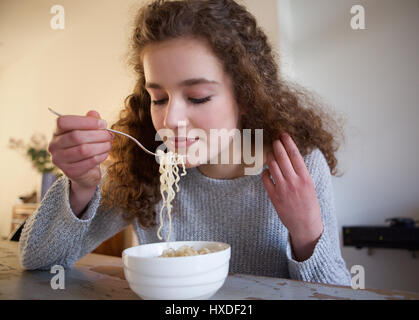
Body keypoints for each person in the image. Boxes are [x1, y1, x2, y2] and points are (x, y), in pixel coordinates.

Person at [18, 0, 351, 286]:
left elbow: (335, 291)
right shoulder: (144, 166)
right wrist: (80, 187)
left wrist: (307, 234)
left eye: (198, 97)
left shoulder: (297, 166)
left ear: (245, 96)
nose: (171, 120)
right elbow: (37, 259)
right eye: (159, 98)